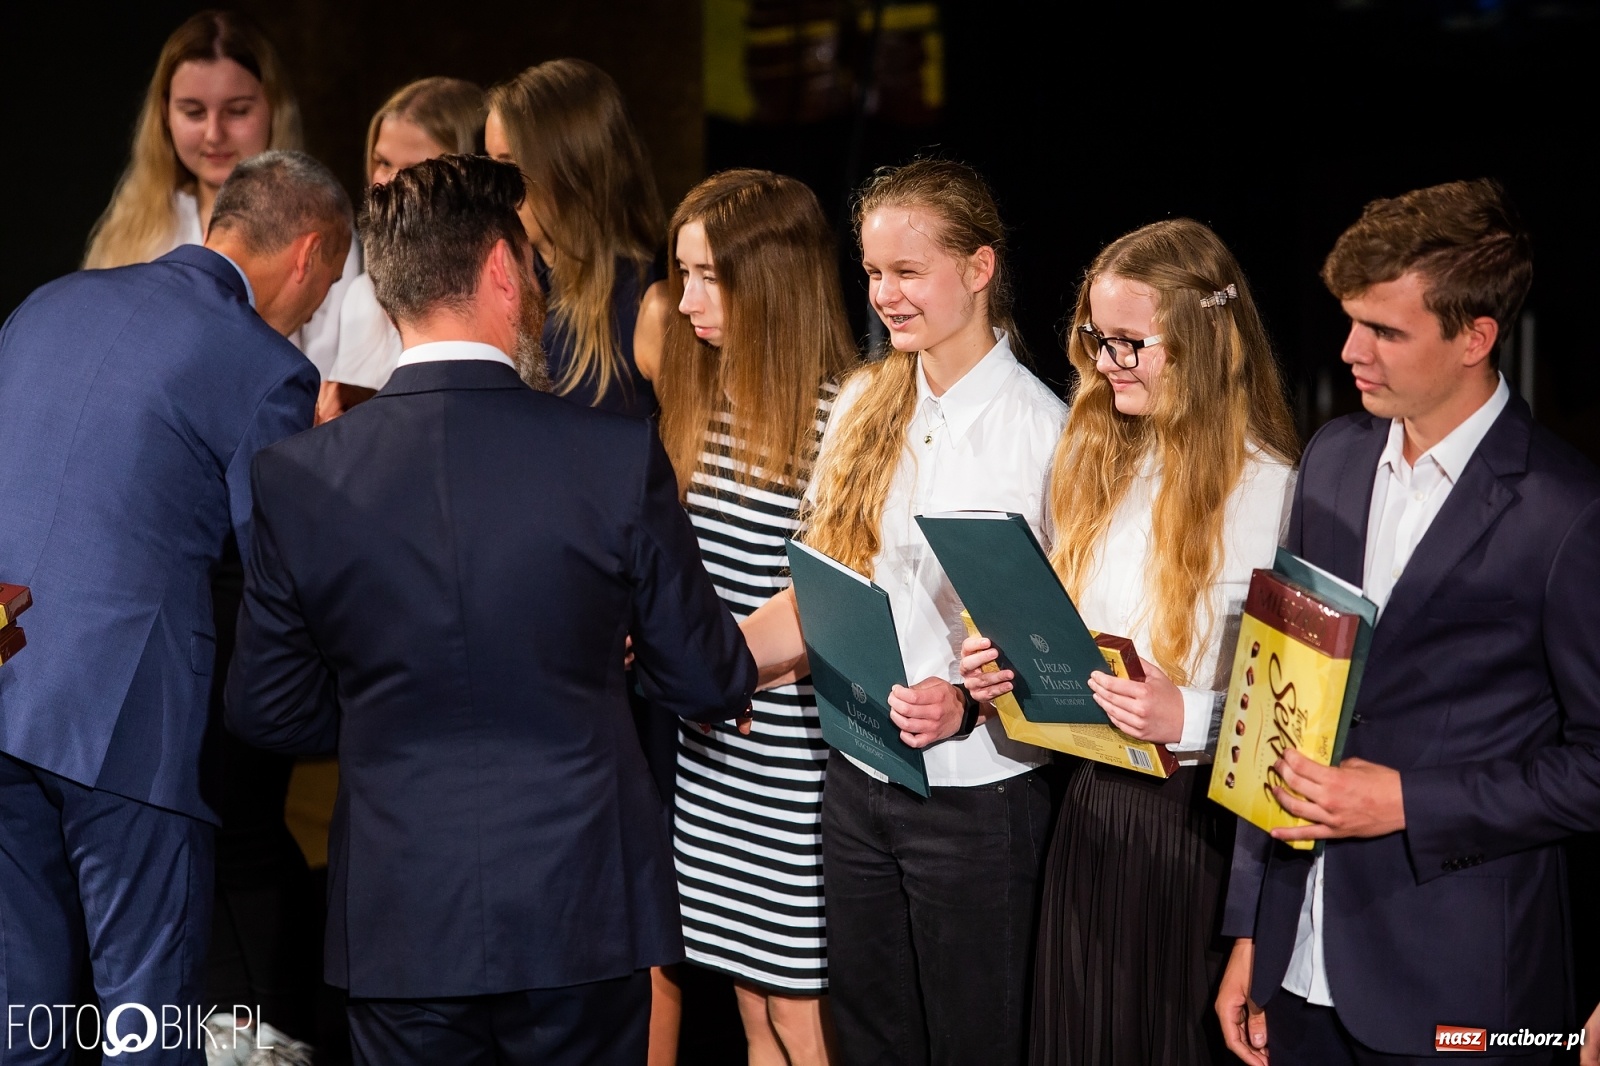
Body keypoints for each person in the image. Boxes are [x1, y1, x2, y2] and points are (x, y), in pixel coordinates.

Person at [224, 154, 758, 1066]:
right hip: (583, 910)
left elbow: (266, 709)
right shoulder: (614, 455)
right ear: (504, 271)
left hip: (400, 914)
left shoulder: (299, 477)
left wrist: (380, 703)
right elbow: (706, 675)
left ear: (391, 295)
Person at [1215, 179, 1600, 1065]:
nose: (1352, 350)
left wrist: (1407, 803)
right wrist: (1250, 931)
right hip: (1296, 968)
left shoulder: (1565, 515)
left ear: (1476, 337)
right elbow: (1272, 701)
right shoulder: (1334, 459)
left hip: (1466, 994)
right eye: (1351, 321)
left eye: (1386, 331)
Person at [0, 150, 351, 1055]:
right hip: (126, 722)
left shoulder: (47, 304)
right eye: (328, 287)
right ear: (309, 254)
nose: (316, 313)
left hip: (5, 684)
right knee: (146, 1023)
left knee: (25, 1013)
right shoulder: (266, 368)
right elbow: (278, 571)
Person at [738, 158, 1067, 1064]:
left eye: (908, 271)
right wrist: (716, 654)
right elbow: (820, 590)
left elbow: (1061, 650)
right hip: (856, 783)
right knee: (873, 1042)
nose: (885, 294)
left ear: (979, 268)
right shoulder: (861, 402)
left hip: (979, 804)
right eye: (874, 273)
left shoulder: (1049, 436)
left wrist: (970, 699)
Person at [959, 220, 1300, 1065]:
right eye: (1096, 341)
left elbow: (1301, 723)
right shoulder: (1102, 465)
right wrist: (1009, 671)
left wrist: (1184, 712)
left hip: (1199, 832)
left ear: (1201, 340)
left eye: (1130, 344)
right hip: (1095, 810)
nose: (1107, 364)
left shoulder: (1273, 490)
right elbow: (1075, 649)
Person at [636, 169, 857, 1064]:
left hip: (792, 760)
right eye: (681, 274)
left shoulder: (841, 415)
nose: (684, 302)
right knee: (750, 1011)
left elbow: (822, 600)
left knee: (802, 1017)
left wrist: (701, 665)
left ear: (771, 280)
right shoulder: (705, 398)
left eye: (707, 278)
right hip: (711, 748)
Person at [84, 9, 357, 378]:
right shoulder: (134, 229)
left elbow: (337, 383)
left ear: (274, 108)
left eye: (237, 111)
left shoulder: (324, 231)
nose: (214, 134)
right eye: (194, 112)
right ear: (164, 114)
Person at [485, 58, 663, 419]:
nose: (494, 190)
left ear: (571, 168)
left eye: (509, 166)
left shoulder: (653, 305)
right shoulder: (501, 290)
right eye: (490, 165)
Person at [316, 76, 486, 422]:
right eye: (382, 162)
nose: (387, 184)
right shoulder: (362, 295)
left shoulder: (487, 295)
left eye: (413, 170)